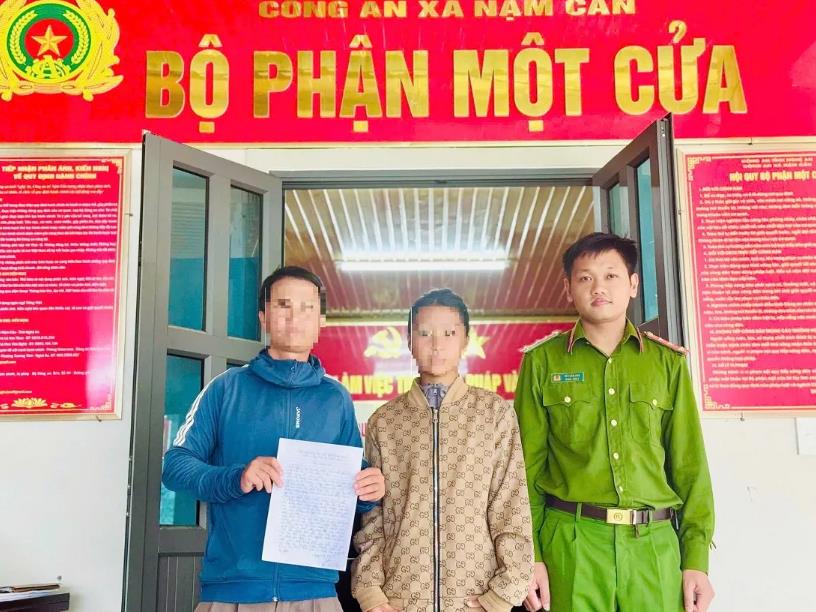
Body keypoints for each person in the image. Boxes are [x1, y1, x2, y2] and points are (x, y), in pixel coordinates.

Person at [162, 265, 385, 611]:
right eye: (283, 305)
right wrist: (236, 477)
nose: (294, 317)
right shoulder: (226, 389)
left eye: (307, 308)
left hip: (315, 592)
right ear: (264, 317)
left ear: (321, 321)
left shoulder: (336, 398)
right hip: (235, 591)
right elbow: (175, 466)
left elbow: (349, 483)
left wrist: (368, 489)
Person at [515, 232, 715, 612]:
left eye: (611, 275)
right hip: (572, 544)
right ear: (568, 288)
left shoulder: (667, 364)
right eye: (585, 277)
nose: (598, 287)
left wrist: (696, 559)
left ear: (633, 284)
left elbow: (690, 467)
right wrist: (531, 556)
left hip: (654, 547)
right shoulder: (542, 363)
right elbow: (525, 471)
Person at [351, 288, 533, 612]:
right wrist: (370, 593)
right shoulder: (385, 421)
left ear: (465, 340)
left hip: (475, 598)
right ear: (410, 342)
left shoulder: (493, 413)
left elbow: (512, 506)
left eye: (449, 333)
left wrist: (502, 596)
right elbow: (373, 518)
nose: (436, 344)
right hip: (401, 599)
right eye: (425, 333)